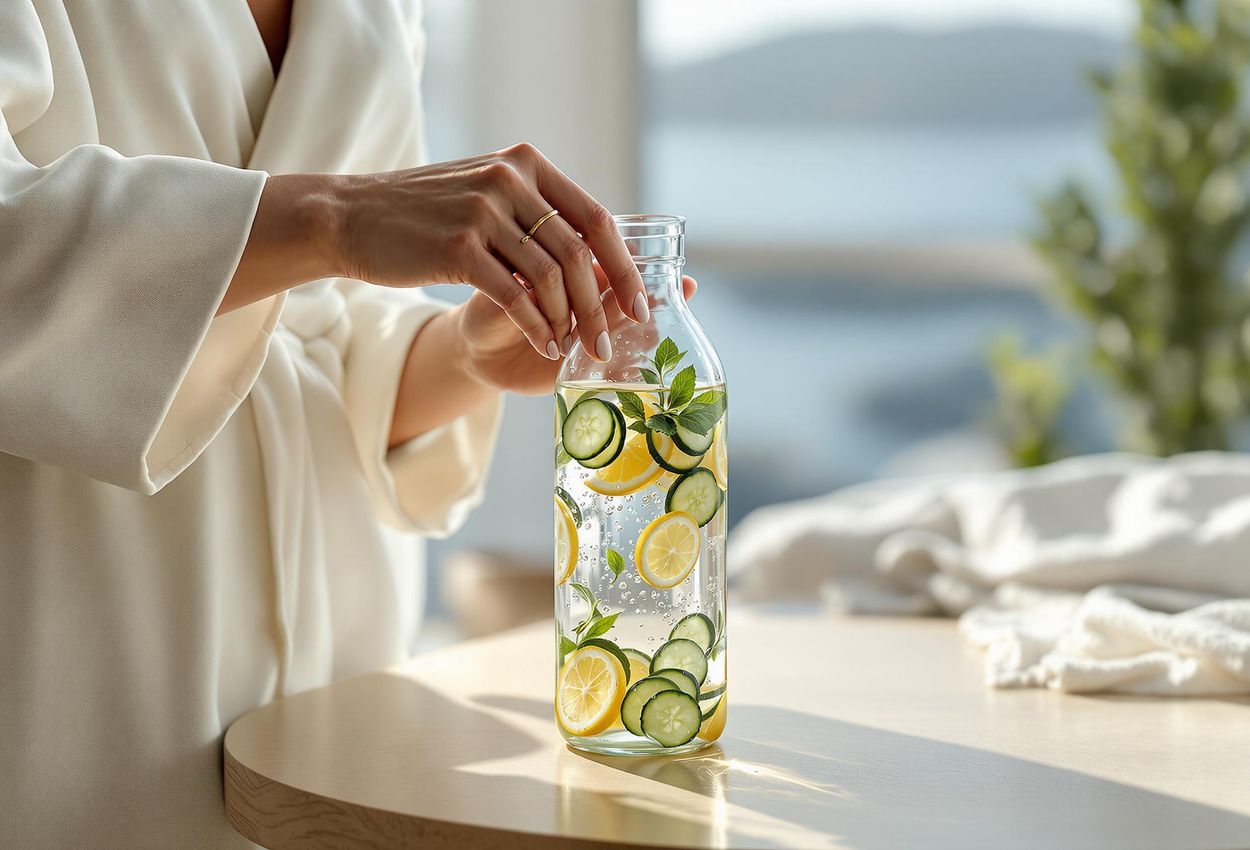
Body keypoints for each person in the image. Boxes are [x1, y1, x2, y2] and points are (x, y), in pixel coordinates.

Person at [0, 1, 694, 846]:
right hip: (75, 670)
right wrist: (333, 216)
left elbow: (317, 331)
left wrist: (462, 357)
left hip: (348, 690)